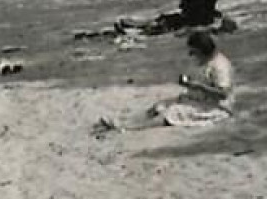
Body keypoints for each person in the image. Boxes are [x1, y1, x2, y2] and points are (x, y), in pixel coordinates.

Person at [98, 31, 234, 131]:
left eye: (193, 52)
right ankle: (124, 122)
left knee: (168, 114)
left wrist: (197, 86)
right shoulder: (207, 61)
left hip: (215, 107)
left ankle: (129, 128)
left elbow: (223, 94)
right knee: (159, 106)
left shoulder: (220, 66)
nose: (192, 56)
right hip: (198, 100)